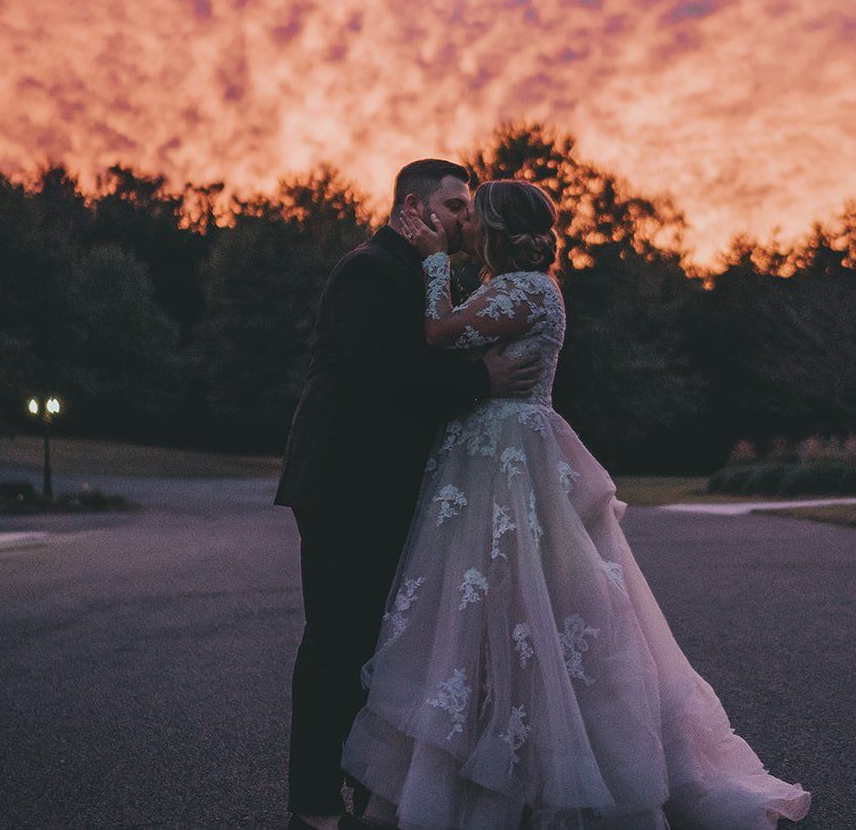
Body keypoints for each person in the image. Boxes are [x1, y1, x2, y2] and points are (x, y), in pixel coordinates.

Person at [339, 179, 813, 828]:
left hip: (509, 459)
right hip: (493, 454)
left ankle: (528, 781)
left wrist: (431, 264)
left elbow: (439, 330)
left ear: (499, 229)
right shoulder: (525, 284)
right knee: (488, 612)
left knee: (525, 611)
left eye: (477, 215)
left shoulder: (527, 287)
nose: (468, 223)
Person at [276, 159, 544, 830]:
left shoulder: (427, 270)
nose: (467, 218)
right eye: (455, 205)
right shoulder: (369, 268)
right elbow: (384, 378)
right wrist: (481, 376)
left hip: (388, 490)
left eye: (469, 207)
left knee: (379, 648)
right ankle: (312, 805)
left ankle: (369, 791)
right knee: (338, 644)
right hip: (346, 487)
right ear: (413, 205)